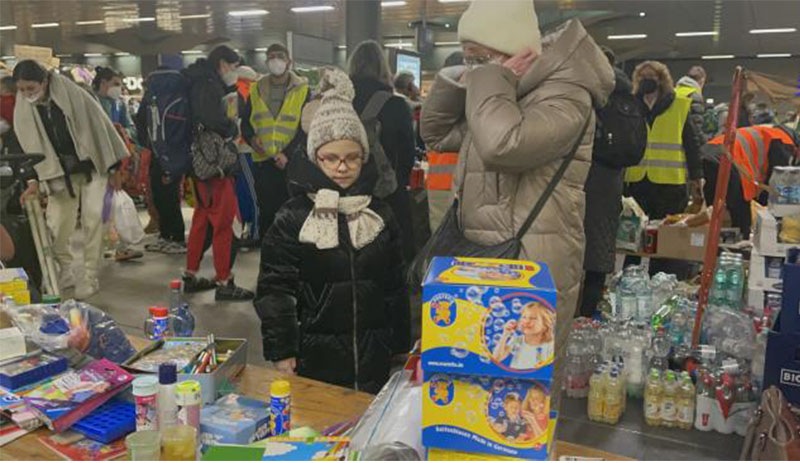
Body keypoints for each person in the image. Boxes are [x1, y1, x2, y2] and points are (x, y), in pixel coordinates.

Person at [421, 0, 614, 411]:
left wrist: (489, 79)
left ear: (516, 50)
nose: (475, 68)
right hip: (481, 255)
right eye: (468, 58)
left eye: (482, 57)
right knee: (475, 391)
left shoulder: (567, 94)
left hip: (531, 263)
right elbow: (436, 133)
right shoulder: (500, 90)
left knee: (524, 396)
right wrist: (464, 79)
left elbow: (502, 144)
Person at [254, 69, 409, 393]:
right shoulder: (293, 217)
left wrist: (400, 346)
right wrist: (283, 350)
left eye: (353, 158)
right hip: (315, 358)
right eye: (331, 158)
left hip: (374, 355)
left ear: (365, 158)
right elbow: (275, 290)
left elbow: (396, 285)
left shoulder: (379, 214)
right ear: (314, 158)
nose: (342, 167)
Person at [13, 59, 128, 299]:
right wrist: (32, 181)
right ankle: (64, 270)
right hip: (56, 173)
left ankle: (89, 275)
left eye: (31, 89)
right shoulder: (22, 107)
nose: (26, 94)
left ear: (44, 81)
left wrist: (115, 167)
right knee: (57, 225)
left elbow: (100, 128)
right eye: (21, 90)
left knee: (95, 219)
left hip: (93, 167)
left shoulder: (75, 95)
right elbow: (25, 146)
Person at [182, 45, 253, 301]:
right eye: (233, 67)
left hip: (200, 166)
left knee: (201, 222)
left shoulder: (197, 81)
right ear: (223, 63)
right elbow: (214, 119)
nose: (234, 72)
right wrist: (231, 130)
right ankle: (224, 281)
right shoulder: (208, 84)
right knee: (224, 225)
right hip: (216, 167)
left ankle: (190, 275)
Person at [579, 47, 647, 317]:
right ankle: (588, 315)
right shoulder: (625, 97)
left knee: (571, 248)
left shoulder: (586, 94)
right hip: (610, 182)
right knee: (599, 249)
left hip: (581, 177)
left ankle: (568, 317)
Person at [624, 60, 705, 278]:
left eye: (651, 77)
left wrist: (697, 176)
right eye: (642, 78)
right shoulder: (631, 105)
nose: (646, 81)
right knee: (632, 239)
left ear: (662, 80)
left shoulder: (679, 104)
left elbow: (691, 143)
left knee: (665, 239)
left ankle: (662, 280)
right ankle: (629, 280)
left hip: (670, 183)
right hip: (637, 181)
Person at [348, 40, 418, 262]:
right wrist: (398, 179)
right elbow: (407, 152)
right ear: (382, 67)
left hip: (345, 191)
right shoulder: (396, 105)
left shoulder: (338, 101)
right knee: (392, 253)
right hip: (386, 192)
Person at [241, 43, 310, 236]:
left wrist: (287, 154)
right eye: (271, 57)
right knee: (268, 215)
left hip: (291, 163)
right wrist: (252, 139)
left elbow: (305, 128)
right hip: (265, 163)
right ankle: (268, 258)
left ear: (289, 61)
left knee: (292, 216)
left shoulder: (302, 89)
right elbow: (246, 123)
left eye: (279, 56)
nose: (275, 61)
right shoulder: (256, 89)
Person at [702, 125, 797, 237]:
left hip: (709, 153)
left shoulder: (768, 133)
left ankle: (711, 244)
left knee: (714, 211)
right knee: (740, 212)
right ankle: (738, 243)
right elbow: (777, 182)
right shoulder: (783, 140)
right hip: (727, 158)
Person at [92, 66, 144, 263]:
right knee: (100, 205)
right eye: (115, 84)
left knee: (113, 203)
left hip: (118, 160)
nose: (119, 89)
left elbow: (129, 127)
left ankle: (117, 245)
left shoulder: (119, 104)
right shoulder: (92, 102)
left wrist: (127, 137)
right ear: (103, 83)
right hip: (97, 162)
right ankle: (105, 244)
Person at [424, 51, 465, 232]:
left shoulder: (435, 103)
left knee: (441, 238)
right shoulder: (472, 99)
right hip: (463, 181)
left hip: (439, 183)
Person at [492, 302, 555, 369]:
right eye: (524, 317)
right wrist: (505, 334)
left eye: (533, 318)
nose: (526, 321)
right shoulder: (517, 340)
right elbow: (496, 358)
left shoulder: (550, 345)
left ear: (545, 325)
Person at [675, 65, 708, 143]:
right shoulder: (694, 95)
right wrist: (705, 141)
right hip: (685, 143)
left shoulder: (673, 92)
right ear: (701, 81)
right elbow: (696, 127)